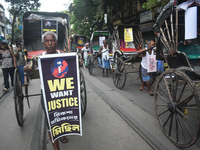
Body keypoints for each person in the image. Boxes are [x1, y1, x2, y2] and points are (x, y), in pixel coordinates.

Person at [23, 31, 68, 150]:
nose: (50, 43)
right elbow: (26, 67)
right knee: (51, 121)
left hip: (63, 92)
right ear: (44, 43)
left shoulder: (63, 54)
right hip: (48, 94)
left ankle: (62, 133)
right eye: (47, 41)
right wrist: (28, 67)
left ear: (56, 42)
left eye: (52, 40)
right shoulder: (39, 58)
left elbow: (74, 63)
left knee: (63, 116)